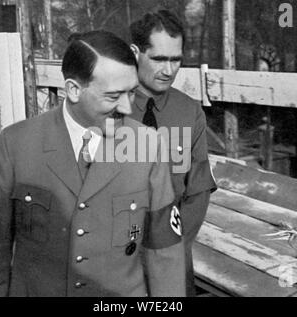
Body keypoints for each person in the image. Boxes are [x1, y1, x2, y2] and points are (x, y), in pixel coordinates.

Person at [0, 30, 186, 297]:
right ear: (73, 90)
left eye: (131, 93)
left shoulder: (148, 145)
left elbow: (164, 250)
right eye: (113, 96)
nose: (126, 107)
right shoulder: (16, 143)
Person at [129, 10, 217, 296]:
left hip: (174, 256)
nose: (168, 70)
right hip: (118, 261)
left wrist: (173, 246)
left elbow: (199, 188)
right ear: (135, 53)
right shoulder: (107, 110)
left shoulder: (189, 111)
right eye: (158, 59)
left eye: (175, 59)